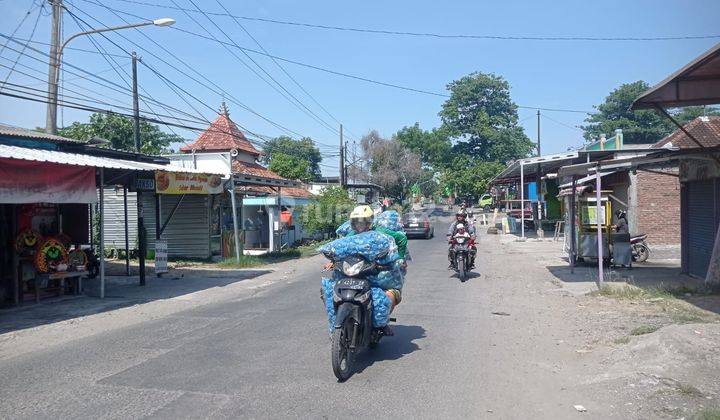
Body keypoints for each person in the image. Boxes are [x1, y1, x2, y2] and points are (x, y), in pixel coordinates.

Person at [324, 205, 406, 335]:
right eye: (356, 222)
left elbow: (401, 239)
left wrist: (400, 259)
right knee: (328, 290)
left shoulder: (380, 232)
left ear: (369, 222)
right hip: (355, 270)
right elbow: (340, 250)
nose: (358, 225)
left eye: (361, 222)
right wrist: (332, 261)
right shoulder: (351, 235)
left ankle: (382, 322)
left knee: (389, 296)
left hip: (375, 271)